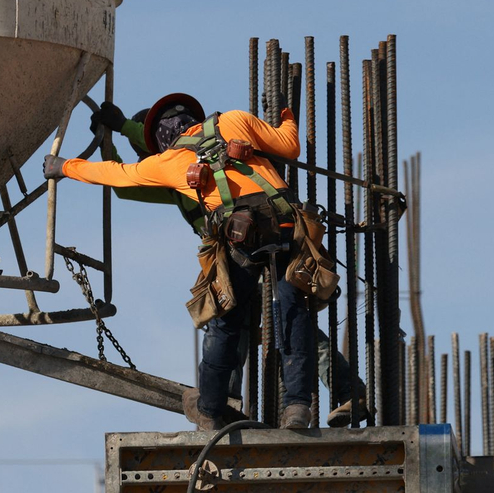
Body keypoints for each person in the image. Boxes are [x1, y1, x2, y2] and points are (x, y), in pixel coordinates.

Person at [90, 101, 368, 428]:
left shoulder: (194, 154)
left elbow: (148, 150)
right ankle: (230, 404)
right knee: (259, 320)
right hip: (241, 252)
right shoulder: (177, 177)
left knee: (277, 319)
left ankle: (343, 391)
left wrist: (123, 126)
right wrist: (109, 138)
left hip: (254, 245)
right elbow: (123, 181)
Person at [46, 93, 316, 429]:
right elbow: (290, 146)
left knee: (224, 318)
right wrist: (288, 116)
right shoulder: (233, 120)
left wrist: (63, 167)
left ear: (161, 141)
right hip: (287, 225)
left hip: (242, 236)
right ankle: (297, 409)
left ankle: (211, 407)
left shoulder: (168, 163)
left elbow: (116, 175)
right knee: (292, 310)